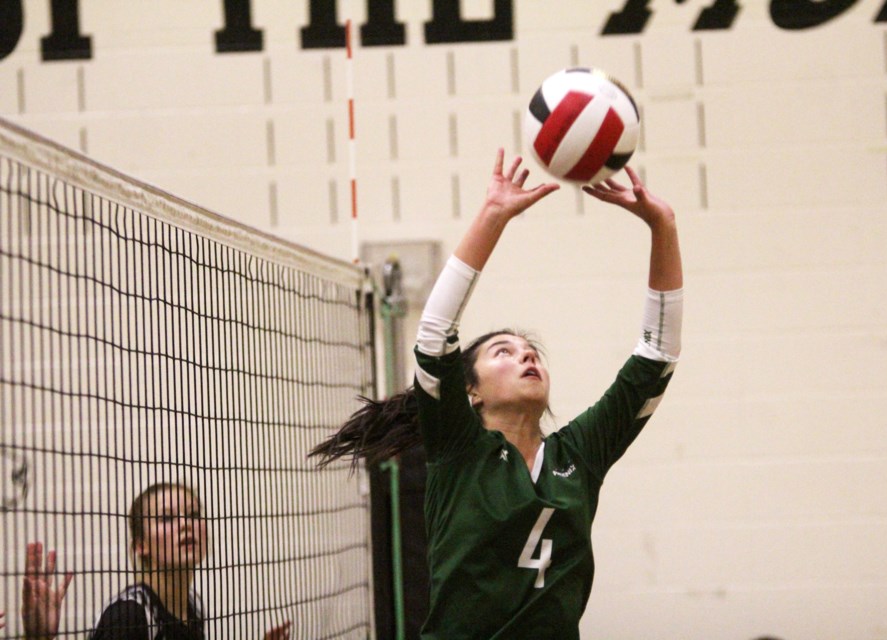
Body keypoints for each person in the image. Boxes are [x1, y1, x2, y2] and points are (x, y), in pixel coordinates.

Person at [311, 148, 683, 639]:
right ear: (471, 393)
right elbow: (435, 332)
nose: (527, 357)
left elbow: (656, 356)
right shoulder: (458, 447)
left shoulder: (579, 454)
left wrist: (664, 225)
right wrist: (493, 215)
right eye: (503, 352)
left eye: (531, 351)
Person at [90, 483, 292, 640]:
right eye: (167, 518)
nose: (186, 524)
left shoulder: (193, 605)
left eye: (193, 514)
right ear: (141, 546)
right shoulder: (129, 616)